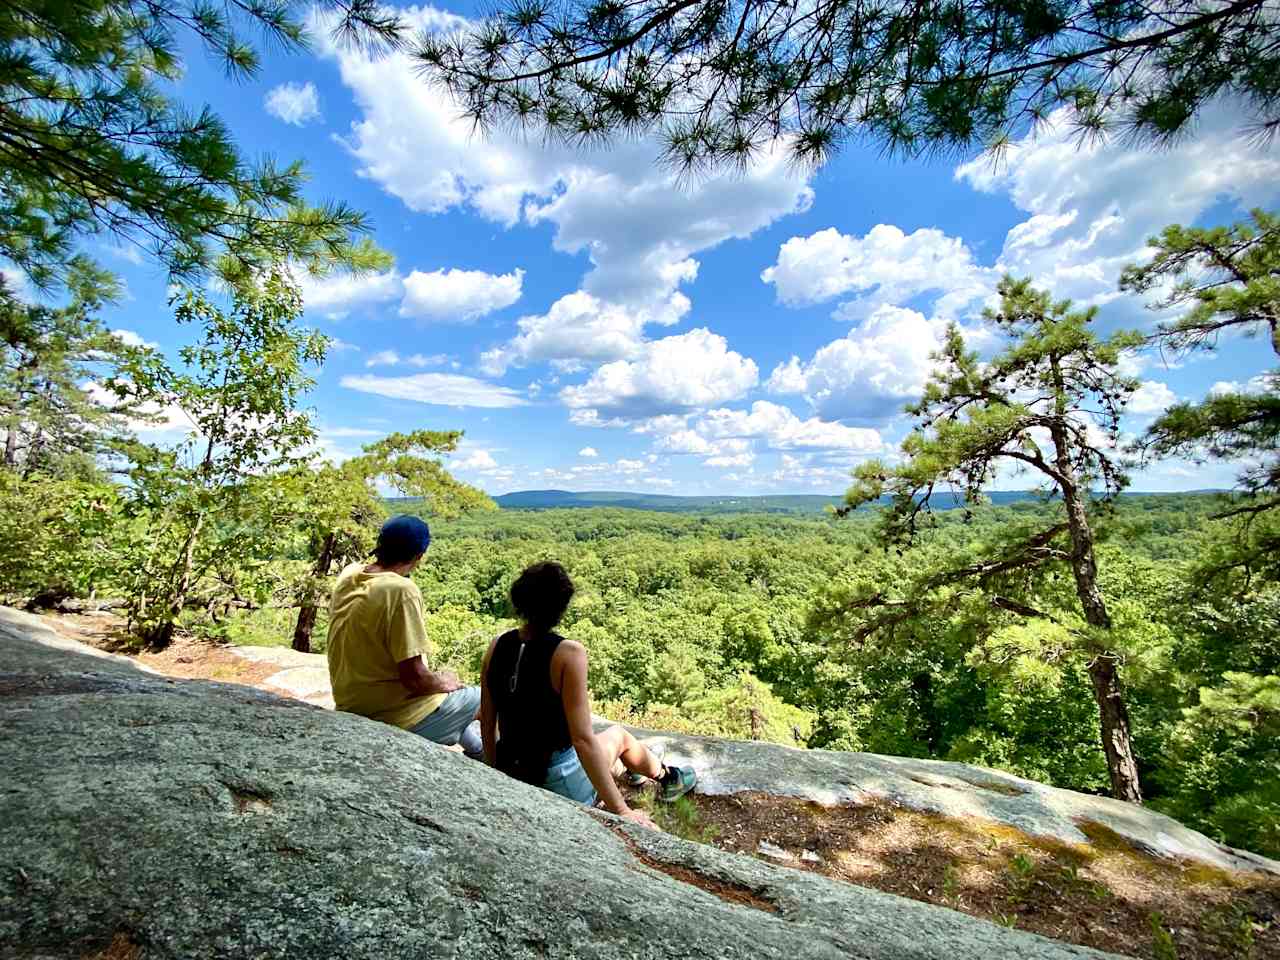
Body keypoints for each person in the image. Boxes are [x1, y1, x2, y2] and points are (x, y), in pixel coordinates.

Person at [480, 561, 696, 828]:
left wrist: (494, 774)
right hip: (557, 778)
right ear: (561, 606)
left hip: (509, 765)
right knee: (618, 736)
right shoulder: (568, 654)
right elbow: (582, 740)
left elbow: (487, 720)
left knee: (608, 745)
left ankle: (634, 772)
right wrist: (622, 810)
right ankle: (668, 778)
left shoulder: (496, 645)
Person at [326, 515, 482, 758]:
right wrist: (446, 682)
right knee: (490, 695)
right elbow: (415, 680)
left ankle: (478, 751)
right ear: (419, 556)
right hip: (392, 715)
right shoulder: (401, 590)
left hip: (352, 702)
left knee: (444, 693)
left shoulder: (350, 574)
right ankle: (502, 763)